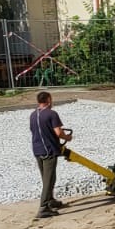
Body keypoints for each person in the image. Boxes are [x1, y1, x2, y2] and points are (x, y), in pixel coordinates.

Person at [30, 90, 72, 219]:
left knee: (47, 178)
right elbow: (58, 132)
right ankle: (43, 208)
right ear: (48, 100)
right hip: (49, 151)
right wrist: (68, 137)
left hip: (37, 150)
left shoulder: (33, 114)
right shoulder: (51, 114)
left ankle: (50, 200)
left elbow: (34, 131)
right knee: (49, 180)